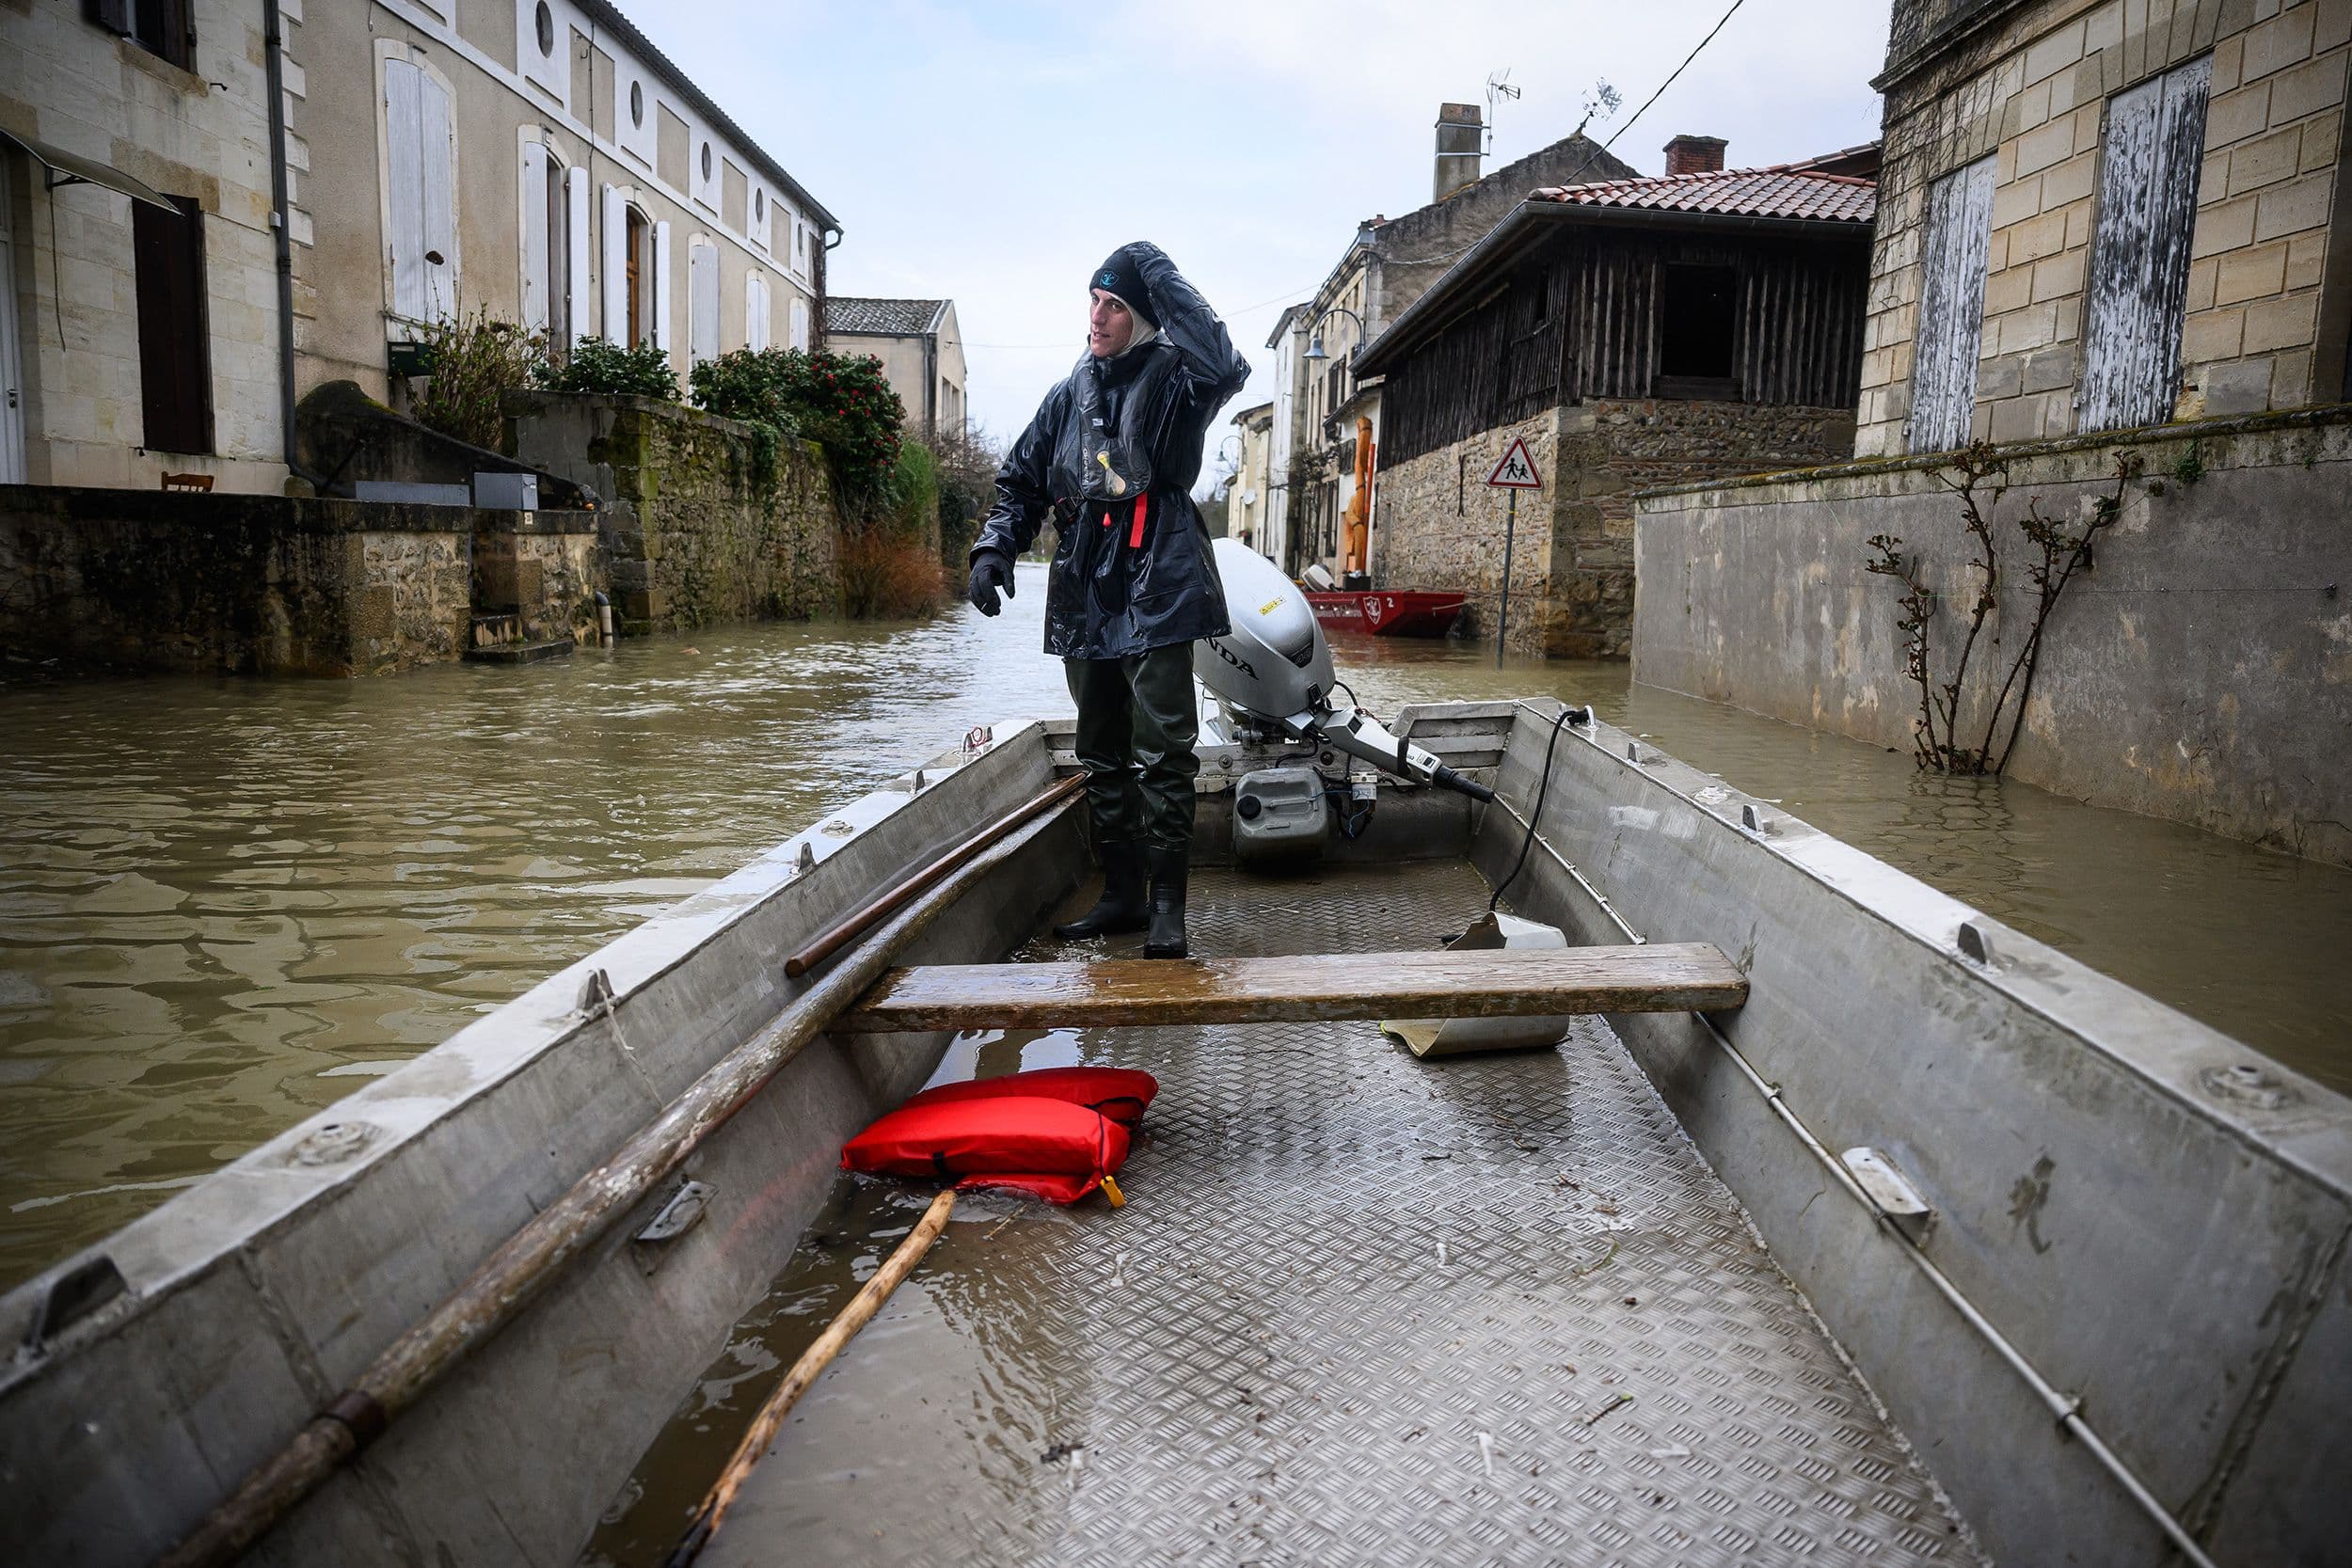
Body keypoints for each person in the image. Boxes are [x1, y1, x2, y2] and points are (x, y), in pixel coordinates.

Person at [967, 243, 1251, 959]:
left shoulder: (1183, 380)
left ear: (1145, 318)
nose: (1097, 316)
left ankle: (1167, 905)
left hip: (1162, 574)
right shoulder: (1068, 395)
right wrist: (993, 548)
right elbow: (1020, 482)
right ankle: (1123, 892)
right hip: (1086, 584)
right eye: (1094, 299)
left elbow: (1225, 363)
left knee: (1164, 750)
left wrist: (1155, 270)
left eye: (1115, 305)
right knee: (1100, 748)